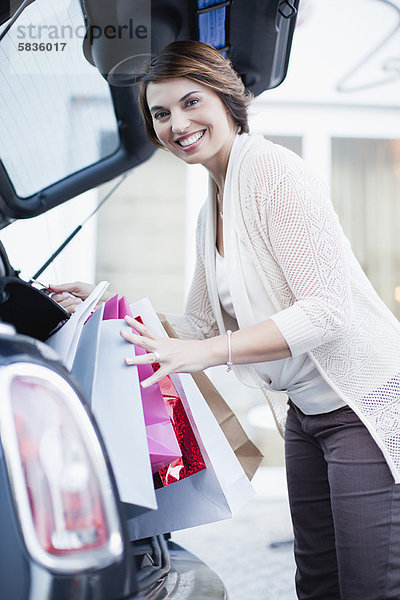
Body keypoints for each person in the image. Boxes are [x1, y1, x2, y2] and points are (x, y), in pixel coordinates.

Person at [50, 40, 400, 599]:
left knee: (368, 587)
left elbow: (329, 311)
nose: (177, 123)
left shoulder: (274, 172)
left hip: (363, 404)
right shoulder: (211, 204)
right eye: (160, 113)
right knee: (317, 583)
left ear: (226, 97)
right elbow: (200, 327)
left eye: (191, 102)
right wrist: (106, 305)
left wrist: (204, 354)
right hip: (309, 415)